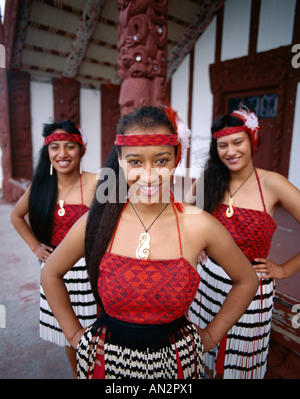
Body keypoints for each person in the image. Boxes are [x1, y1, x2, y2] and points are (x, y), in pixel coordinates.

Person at [41, 105, 258, 379]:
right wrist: (74, 334)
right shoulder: (97, 222)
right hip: (107, 360)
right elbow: (51, 272)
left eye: (161, 160)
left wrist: (211, 336)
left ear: (177, 158)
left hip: (176, 362)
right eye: (135, 162)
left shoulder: (199, 224)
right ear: (119, 160)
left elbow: (247, 280)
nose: (148, 175)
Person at [189, 106, 300, 379]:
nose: (231, 151)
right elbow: (185, 218)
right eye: (222, 145)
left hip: (252, 291)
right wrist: (198, 244)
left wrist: (285, 269)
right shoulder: (210, 180)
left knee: (240, 368)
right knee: (200, 357)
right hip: (206, 283)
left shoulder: (274, 184)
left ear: (253, 140)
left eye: (238, 142)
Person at [10, 120, 98, 377]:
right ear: (47, 151)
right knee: (71, 334)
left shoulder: (97, 182)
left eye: (69, 146)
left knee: (99, 331)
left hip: (93, 270)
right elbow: (16, 216)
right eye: (55, 147)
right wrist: (36, 247)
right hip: (57, 274)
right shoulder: (40, 187)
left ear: (82, 148)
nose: (62, 154)